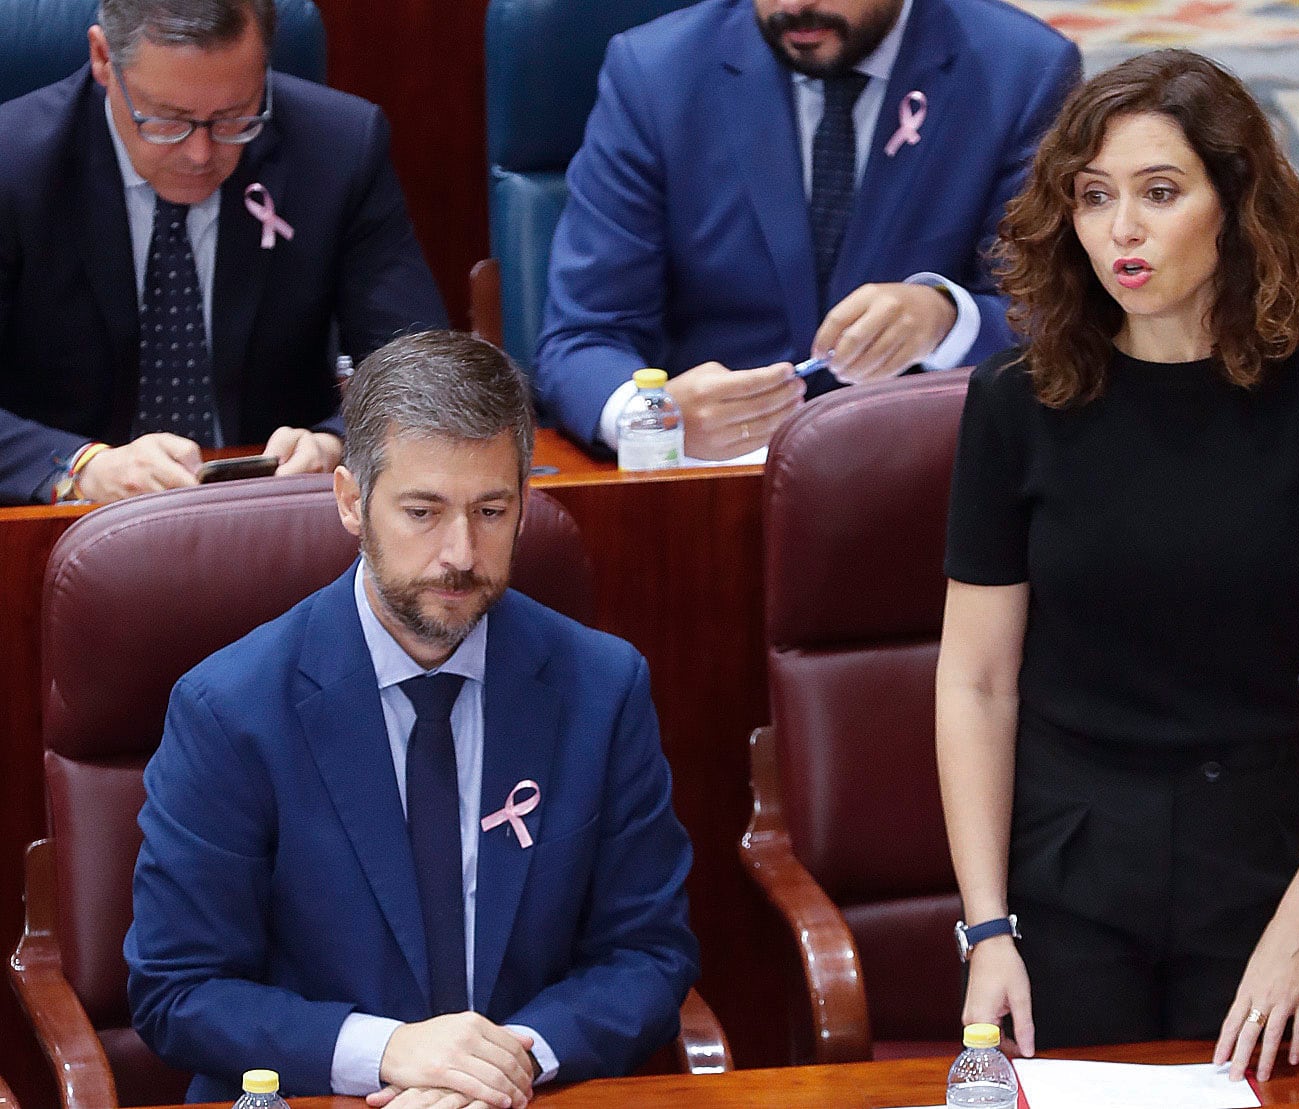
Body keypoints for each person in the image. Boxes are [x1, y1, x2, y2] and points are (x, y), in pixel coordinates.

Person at [936, 49, 1299, 1083]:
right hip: (1071, 861)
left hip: (1276, 858)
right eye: (1092, 197)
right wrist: (987, 925)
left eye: (1159, 193)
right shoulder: (1012, 404)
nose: (1120, 229)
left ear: (1233, 201)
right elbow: (976, 680)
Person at [126, 330, 699, 1104]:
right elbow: (179, 990)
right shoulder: (230, 709)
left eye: (491, 509)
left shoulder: (601, 686)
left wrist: (505, 1062)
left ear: (525, 503)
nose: (459, 552)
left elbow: (648, 956)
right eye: (423, 511)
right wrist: (389, 1049)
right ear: (350, 501)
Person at [536, 0, 1079, 461]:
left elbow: (1055, 320)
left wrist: (946, 316)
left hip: (929, 481)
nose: (794, 6)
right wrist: (653, 421)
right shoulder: (655, 74)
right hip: (710, 489)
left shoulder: (1021, 71)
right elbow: (583, 337)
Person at [0, 0, 448, 506]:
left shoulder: (339, 148)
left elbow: (421, 370)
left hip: (275, 515)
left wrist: (340, 443)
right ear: (104, 59)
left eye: (234, 117)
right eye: (167, 120)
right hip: (61, 529)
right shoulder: (13, 163)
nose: (200, 154)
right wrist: (80, 466)